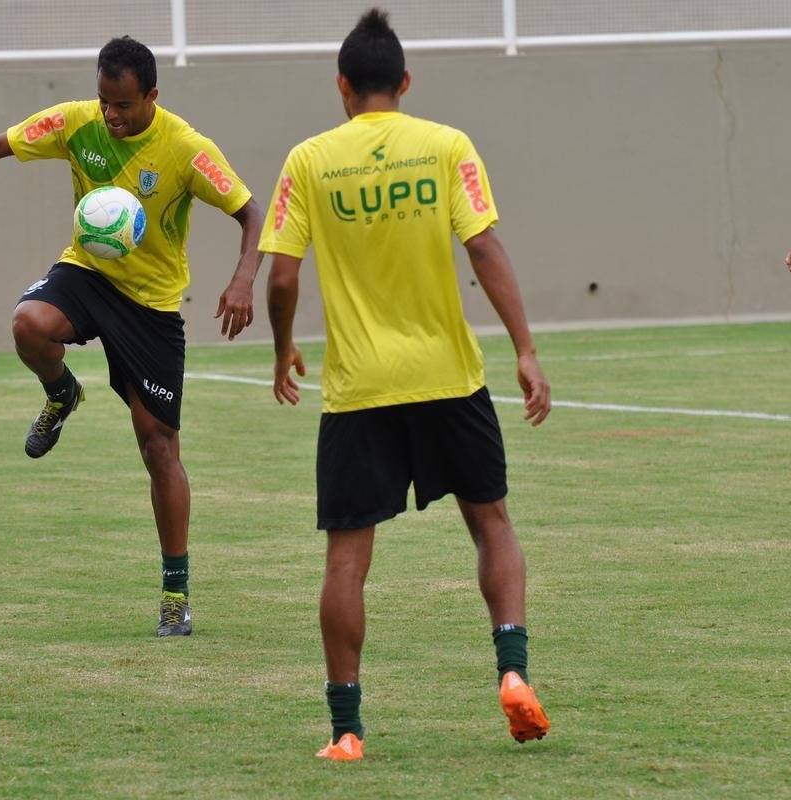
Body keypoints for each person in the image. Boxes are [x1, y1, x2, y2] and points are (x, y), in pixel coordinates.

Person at [0, 36, 265, 637]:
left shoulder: (187, 149)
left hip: (151, 306)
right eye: (104, 101)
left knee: (158, 449)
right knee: (28, 323)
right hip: (86, 275)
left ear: (152, 96)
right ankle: (61, 393)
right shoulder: (76, 123)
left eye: (124, 105)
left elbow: (250, 211)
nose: (112, 115)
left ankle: (175, 591)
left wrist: (243, 278)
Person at [258, 8, 552, 760]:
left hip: (359, 388)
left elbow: (283, 274)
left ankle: (346, 729)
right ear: (405, 82)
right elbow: (483, 247)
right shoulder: (446, 145)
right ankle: (513, 674)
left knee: (346, 558)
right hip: (448, 377)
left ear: (342, 87)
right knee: (491, 524)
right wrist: (523, 348)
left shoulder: (309, 159)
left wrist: (284, 346)